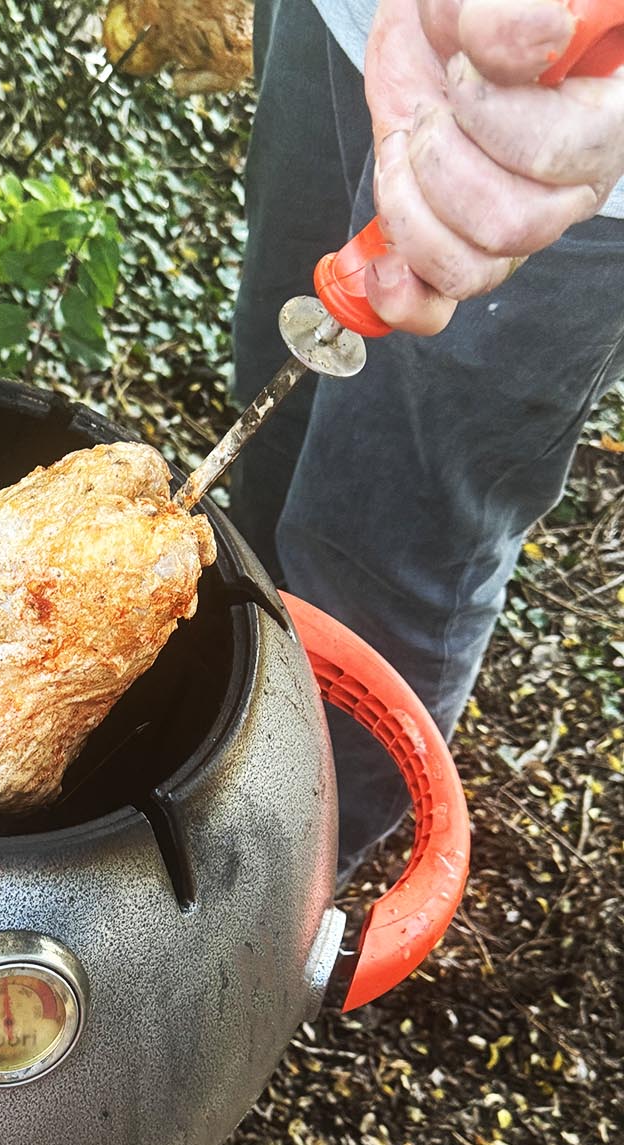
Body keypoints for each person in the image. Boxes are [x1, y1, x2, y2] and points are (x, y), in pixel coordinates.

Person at [226, 0, 624, 880]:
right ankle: (232, 709)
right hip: (344, 21)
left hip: (578, 155)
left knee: (389, 556)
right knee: (273, 429)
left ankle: (281, 883)